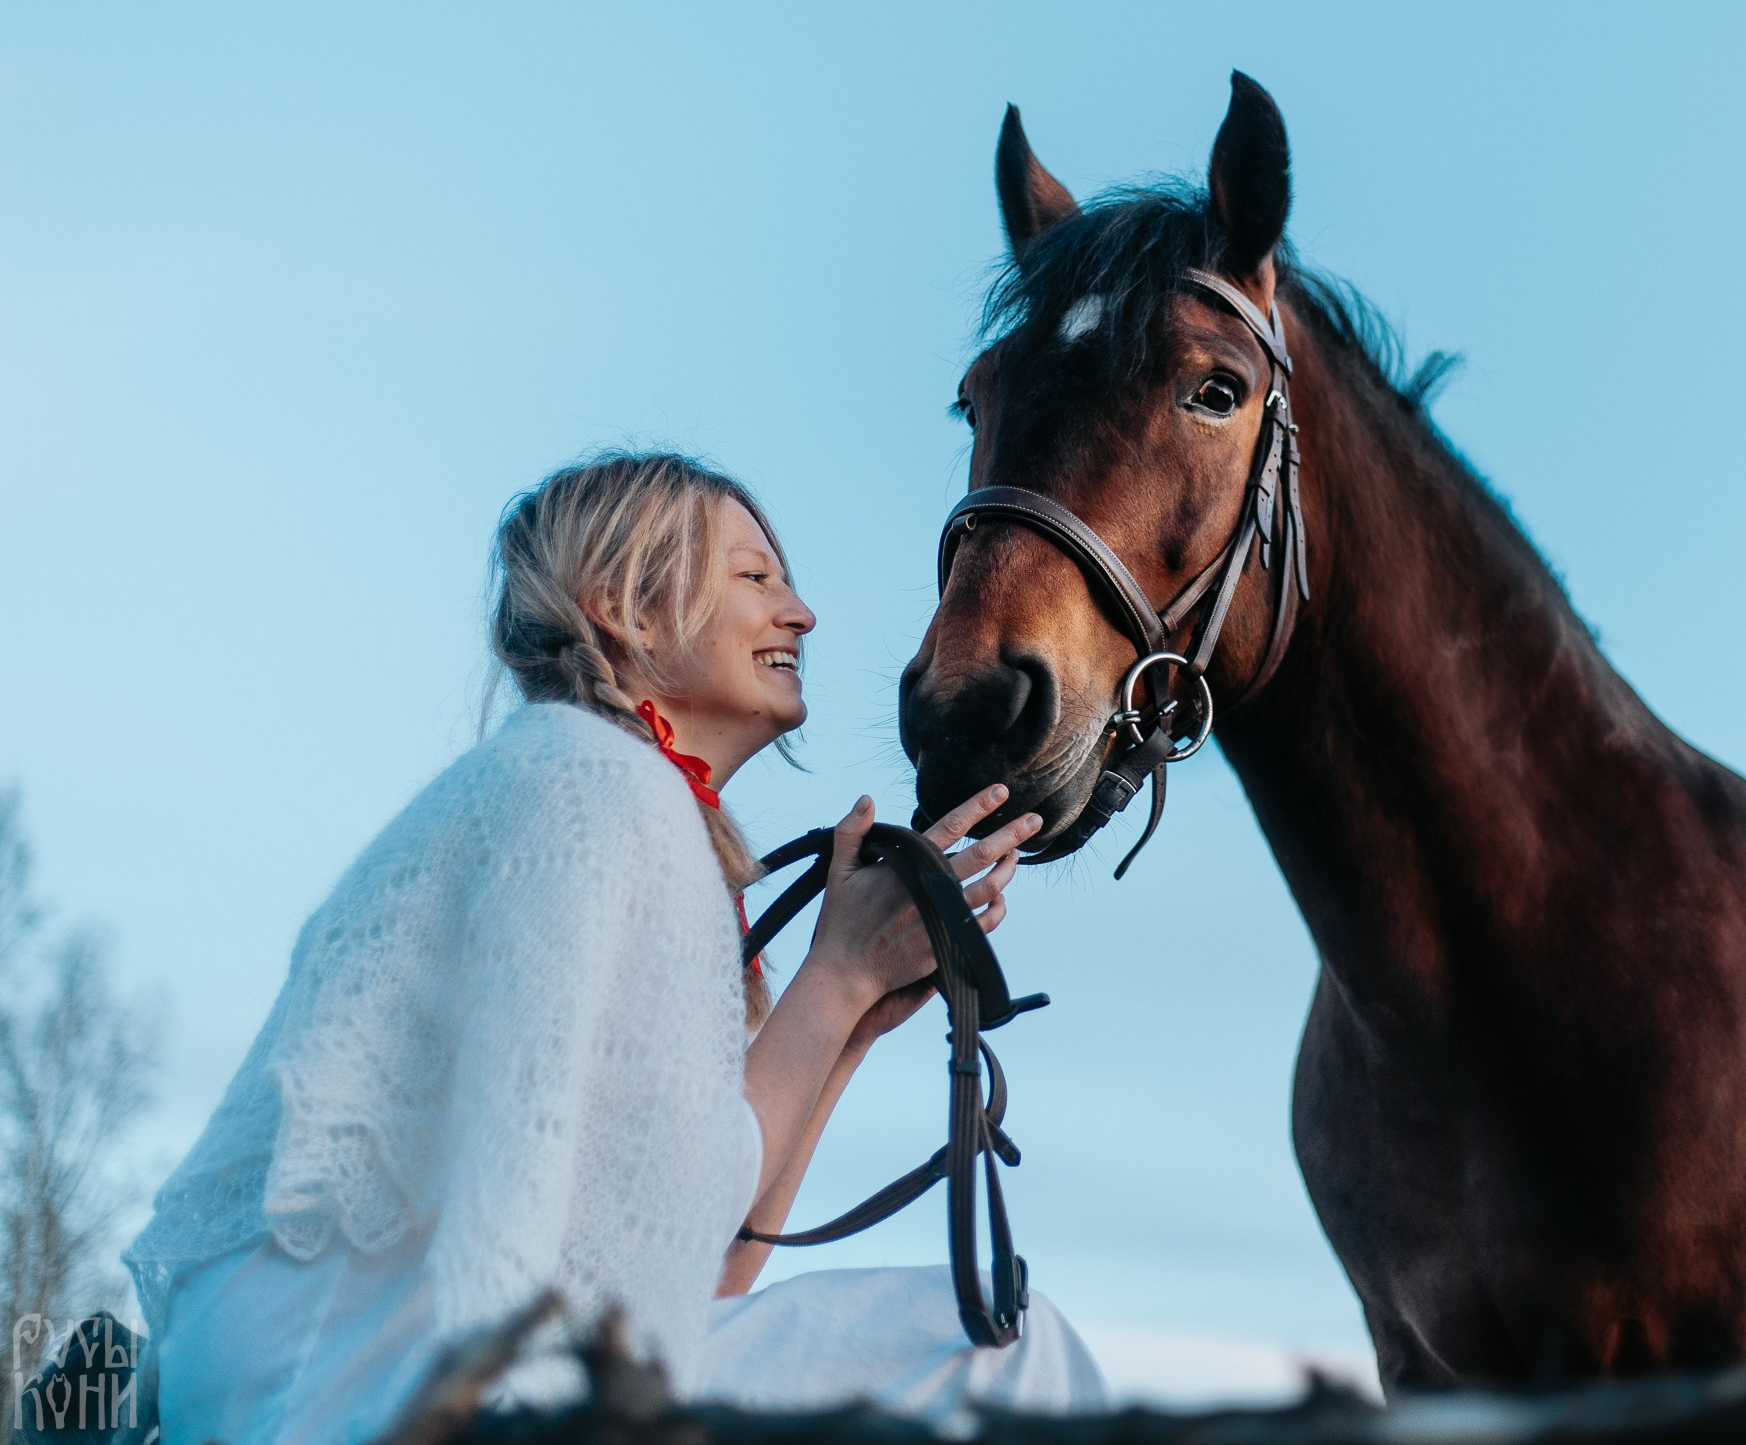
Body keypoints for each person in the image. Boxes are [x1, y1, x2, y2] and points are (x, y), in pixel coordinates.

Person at [120, 451, 1107, 1444]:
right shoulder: (591, 783)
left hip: (326, 1379)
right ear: (623, 613)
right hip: (353, 1390)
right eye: (755, 578)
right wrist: (836, 977)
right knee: (1002, 1354)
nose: (801, 612)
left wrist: (853, 1009)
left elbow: (703, 1266)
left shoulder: (611, 805)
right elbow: (625, 1240)